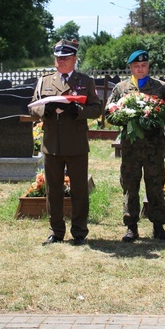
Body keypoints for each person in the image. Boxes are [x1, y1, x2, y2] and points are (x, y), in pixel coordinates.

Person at [29, 39, 102, 246]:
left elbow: (97, 109)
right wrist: (45, 110)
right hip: (52, 143)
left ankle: (79, 231)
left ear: (74, 60)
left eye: (66, 58)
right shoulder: (45, 81)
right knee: (53, 190)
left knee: (79, 189)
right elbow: (32, 107)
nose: (61, 62)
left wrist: (78, 111)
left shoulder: (84, 82)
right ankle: (56, 231)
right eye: (58, 58)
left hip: (76, 143)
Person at [107, 50, 165, 243]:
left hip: (154, 147)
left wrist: (158, 113)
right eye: (136, 66)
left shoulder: (160, 87)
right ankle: (131, 227)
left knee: (155, 185)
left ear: (148, 66)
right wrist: (124, 116)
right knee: (130, 186)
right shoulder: (121, 89)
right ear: (130, 67)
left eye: (144, 65)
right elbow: (108, 114)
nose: (140, 69)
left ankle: (158, 226)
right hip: (130, 148)